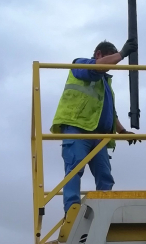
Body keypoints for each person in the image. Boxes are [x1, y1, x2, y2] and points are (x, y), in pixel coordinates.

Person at [52, 38, 137, 213]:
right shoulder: (80, 64)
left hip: (99, 135)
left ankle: (103, 212)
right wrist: (121, 54)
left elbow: (109, 112)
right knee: (75, 170)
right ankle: (72, 213)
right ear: (99, 54)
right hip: (77, 129)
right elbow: (96, 67)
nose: (114, 63)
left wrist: (122, 131)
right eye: (111, 58)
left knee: (105, 177)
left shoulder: (105, 84)